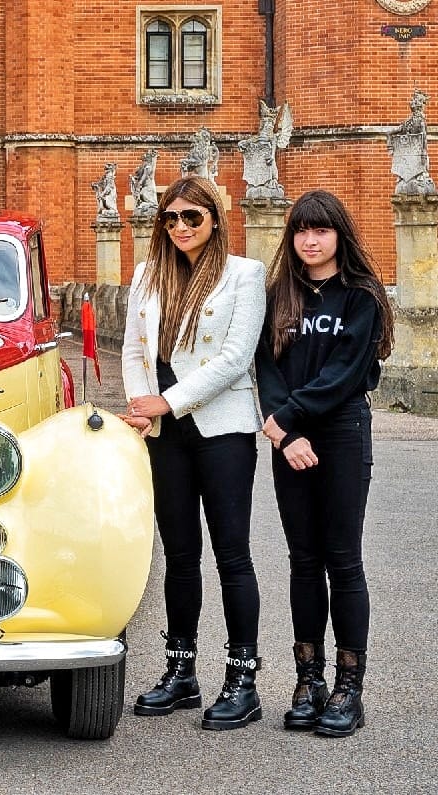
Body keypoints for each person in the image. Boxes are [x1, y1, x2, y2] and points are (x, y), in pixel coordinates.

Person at [120, 175, 266, 730]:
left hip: (222, 428)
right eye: (171, 218)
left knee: (232, 555)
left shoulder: (244, 274)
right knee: (179, 555)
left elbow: (235, 358)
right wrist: (142, 404)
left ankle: (242, 679)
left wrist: (168, 400)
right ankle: (181, 672)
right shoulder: (146, 274)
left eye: (192, 217)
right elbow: (134, 348)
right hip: (165, 433)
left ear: (214, 219)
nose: (180, 227)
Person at [255, 190, 394, 737]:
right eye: (301, 231)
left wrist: (281, 421)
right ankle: (308, 680)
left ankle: (348, 688)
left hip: (340, 434)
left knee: (343, 559)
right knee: (304, 560)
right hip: (291, 440)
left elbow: (344, 373)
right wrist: (285, 432)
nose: (309, 241)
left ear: (339, 235)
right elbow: (266, 366)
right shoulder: (279, 296)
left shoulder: (360, 296)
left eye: (321, 230)